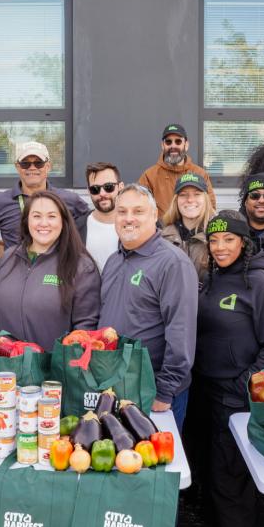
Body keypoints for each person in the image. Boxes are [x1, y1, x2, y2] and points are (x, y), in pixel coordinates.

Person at [191, 211, 264, 527]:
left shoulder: (261, 284)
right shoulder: (209, 279)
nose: (219, 248)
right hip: (204, 392)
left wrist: (241, 385)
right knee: (208, 477)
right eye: (214, 241)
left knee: (231, 482)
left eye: (228, 240)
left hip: (235, 400)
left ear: (244, 242)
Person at [98, 184, 198, 430]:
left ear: (154, 216)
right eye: (122, 211)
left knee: (155, 465)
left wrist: (164, 391)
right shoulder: (114, 260)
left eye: (138, 211)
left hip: (153, 392)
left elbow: (181, 332)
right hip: (114, 386)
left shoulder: (173, 263)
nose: (128, 218)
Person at [0, 190, 101, 351]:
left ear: (63, 221)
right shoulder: (8, 259)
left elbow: (86, 330)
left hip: (54, 371)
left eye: (51, 216)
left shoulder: (81, 267)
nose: (44, 223)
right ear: (26, 221)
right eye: (36, 216)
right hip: (8, 367)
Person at [0, 141, 89, 249]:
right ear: (18, 167)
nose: (32, 167)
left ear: (48, 166)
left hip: (58, 269)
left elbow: (93, 226)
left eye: (39, 163)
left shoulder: (69, 200)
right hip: (16, 268)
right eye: (25, 164)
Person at [137, 123, 216, 217]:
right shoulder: (149, 176)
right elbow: (139, 208)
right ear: (162, 145)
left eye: (178, 142)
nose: (173, 146)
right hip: (162, 231)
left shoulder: (200, 174)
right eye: (168, 142)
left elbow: (210, 208)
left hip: (194, 230)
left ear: (186, 145)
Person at [160, 172, 217, 278]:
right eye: (183, 195)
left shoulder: (217, 235)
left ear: (205, 199)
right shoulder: (161, 237)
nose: (190, 200)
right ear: (176, 201)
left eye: (197, 194)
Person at [75, 161, 124, 270]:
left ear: (120, 187)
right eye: (95, 189)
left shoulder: (135, 225)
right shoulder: (76, 228)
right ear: (88, 191)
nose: (102, 193)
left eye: (108, 187)